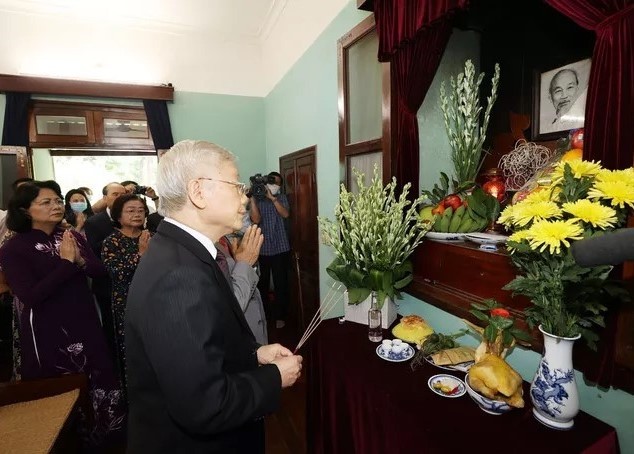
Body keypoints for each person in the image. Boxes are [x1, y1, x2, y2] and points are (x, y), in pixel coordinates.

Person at [126, 140, 302, 453]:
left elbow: (202, 348)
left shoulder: (184, 252)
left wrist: (253, 356)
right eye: (236, 185)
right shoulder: (178, 277)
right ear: (198, 192)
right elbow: (204, 404)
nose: (245, 195)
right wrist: (274, 377)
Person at [0, 181, 124, 447]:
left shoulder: (72, 236)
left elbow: (99, 272)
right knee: (61, 385)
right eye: (46, 202)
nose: (56, 206)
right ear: (25, 210)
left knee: (99, 372)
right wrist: (66, 264)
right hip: (49, 325)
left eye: (57, 200)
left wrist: (80, 261)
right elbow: (30, 296)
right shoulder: (14, 248)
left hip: (84, 316)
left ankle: (107, 434)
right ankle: (67, 438)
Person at [101, 194, 151, 393]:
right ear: (118, 216)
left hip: (155, 300)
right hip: (127, 302)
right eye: (131, 210)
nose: (137, 214)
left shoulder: (153, 236)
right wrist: (140, 255)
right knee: (133, 350)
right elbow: (116, 272)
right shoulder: (111, 241)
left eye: (140, 210)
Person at [84, 182, 126, 356]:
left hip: (133, 284)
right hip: (107, 285)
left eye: (123, 194)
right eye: (115, 194)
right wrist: (120, 234)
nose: (120, 198)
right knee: (111, 329)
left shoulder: (135, 217)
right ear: (104, 198)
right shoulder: (95, 222)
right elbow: (95, 252)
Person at [249, 171, 291, 329]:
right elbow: (256, 219)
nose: (273, 186)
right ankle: (264, 316)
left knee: (281, 284)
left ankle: (281, 316)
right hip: (263, 247)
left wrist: (273, 198)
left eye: (276, 184)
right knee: (263, 284)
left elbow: (285, 214)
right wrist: (253, 198)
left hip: (280, 247)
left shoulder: (281, 198)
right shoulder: (258, 200)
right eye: (271, 184)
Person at [217, 225, 268, 345]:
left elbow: (252, 273)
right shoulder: (201, 247)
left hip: (254, 333)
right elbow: (229, 309)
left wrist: (247, 264)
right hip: (239, 341)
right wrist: (244, 263)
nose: (242, 205)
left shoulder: (227, 238)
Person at [543, 68, 586, 134]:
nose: (564, 96)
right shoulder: (548, 129)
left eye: (570, 87)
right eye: (558, 91)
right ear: (550, 97)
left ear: (577, 90)